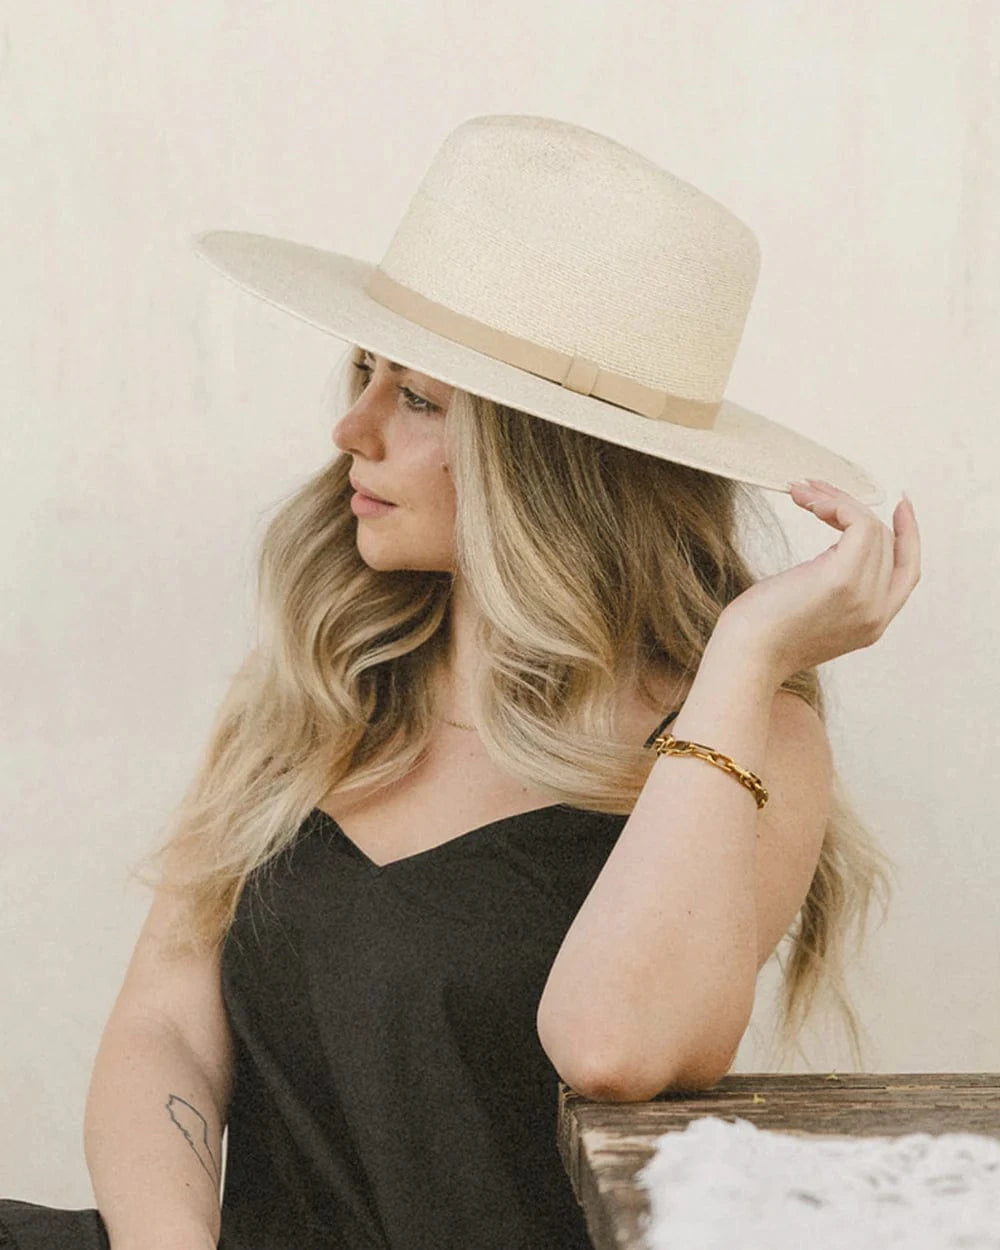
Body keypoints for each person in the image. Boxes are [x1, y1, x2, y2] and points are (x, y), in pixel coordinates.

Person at [1, 113, 920, 1250]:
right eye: (365, 373)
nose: (352, 428)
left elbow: (611, 1046)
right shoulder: (314, 684)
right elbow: (165, 1032)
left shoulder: (749, 736)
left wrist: (744, 655)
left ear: (554, 462)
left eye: (420, 399)